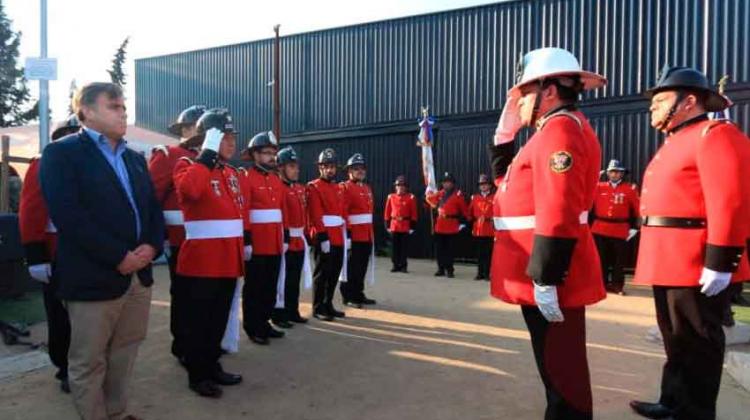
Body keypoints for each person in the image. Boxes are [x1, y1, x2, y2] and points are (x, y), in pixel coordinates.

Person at [488, 48, 607, 419]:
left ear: (549, 90)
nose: (518, 102)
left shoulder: (559, 131)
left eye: (524, 93)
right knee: (555, 365)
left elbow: (559, 210)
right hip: (541, 270)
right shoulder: (551, 131)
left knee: (562, 369)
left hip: (552, 274)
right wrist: (505, 132)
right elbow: (505, 182)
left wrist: (547, 277)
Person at [629, 66, 750, 420]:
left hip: (695, 258)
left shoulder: (714, 134)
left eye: (661, 99)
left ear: (689, 101)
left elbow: (729, 201)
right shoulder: (678, 139)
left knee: (698, 341)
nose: (652, 107)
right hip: (667, 256)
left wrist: (721, 261)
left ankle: (694, 413)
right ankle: (673, 402)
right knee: (675, 337)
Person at [39, 82, 165, 420]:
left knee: (124, 353)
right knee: (88, 360)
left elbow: (153, 209)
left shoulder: (135, 158)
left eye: (124, 106)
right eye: (114, 106)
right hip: (93, 277)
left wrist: (151, 247)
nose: (123, 112)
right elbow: (69, 216)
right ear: (87, 111)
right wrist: (119, 256)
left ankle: (117, 412)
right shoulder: (61, 153)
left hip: (138, 277)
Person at [173, 108, 245, 398]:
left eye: (232, 137)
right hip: (203, 262)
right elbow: (190, 191)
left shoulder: (230, 171)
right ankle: (197, 375)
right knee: (199, 322)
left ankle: (212, 364)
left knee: (218, 320)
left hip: (228, 259)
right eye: (224, 137)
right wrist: (206, 155)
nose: (231, 142)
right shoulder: (187, 164)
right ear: (207, 139)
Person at [18, 114, 80, 394]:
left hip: (91, 254)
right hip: (57, 253)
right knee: (60, 316)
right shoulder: (43, 163)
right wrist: (36, 255)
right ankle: (65, 367)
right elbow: (31, 211)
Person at [148, 104, 205, 364]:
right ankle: (182, 344)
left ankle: (203, 342)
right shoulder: (169, 155)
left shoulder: (208, 157)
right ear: (184, 129)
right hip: (180, 239)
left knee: (205, 295)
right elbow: (152, 196)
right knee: (184, 294)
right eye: (197, 125)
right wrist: (156, 236)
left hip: (207, 238)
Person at [240, 131, 289, 344]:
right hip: (257, 243)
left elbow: (282, 210)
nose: (271, 157)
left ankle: (265, 322)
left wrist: (285, 236)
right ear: (255, 155)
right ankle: (253, 327)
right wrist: (247, 240)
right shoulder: (246, 177)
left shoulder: (277, 180)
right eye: (266, 153)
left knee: (270, 285)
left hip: (275, 242)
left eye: (273, 153)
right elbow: (244, 210)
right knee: (255, 287)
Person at [272, 146, 310, 325]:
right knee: (282, 280)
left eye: (296, 166)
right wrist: (285, 237)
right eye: (291, 166)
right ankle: (278, 314)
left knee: (294, 279)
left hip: (298, 240)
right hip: (284, 239)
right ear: (280, 168)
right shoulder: (278, 188)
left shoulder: (299, 188)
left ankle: (292, 310)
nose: (296, 170)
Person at [307, 148, 347, 321]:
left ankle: (328, 304)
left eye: (332, 166)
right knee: (322, 274)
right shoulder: (314, 186)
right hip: (324, 236)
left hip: (337, 235)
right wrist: (322, 237)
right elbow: (315, 213)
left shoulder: (338, 187)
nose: (329, 170)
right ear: (320, 168)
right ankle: (317, 307)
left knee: (333, 274)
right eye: (326, 166)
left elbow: (341, 213)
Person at [590, 159, 640, 295]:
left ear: (622, 174)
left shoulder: (630, 189)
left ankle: (617, 285)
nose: (614, 174)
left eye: (618, 172)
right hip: (600, 227)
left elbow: (638, 210)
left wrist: (636, 227)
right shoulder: (598, 187)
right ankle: (602, 284)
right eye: (612, 171)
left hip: (620, 229)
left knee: (619, 261)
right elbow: (585, 196)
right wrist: (594, 178)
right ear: (607, 173)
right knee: (601, 259)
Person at [339, 153, 377, 308]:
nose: (360, 171)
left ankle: (358, 293)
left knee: (362, 266)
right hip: (354, 233)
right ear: (349, 171)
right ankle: (348, 296)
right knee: (351, 266)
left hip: (366, 233)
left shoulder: (366, 188)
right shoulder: (345, 187)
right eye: (356, 169)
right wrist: (347, 234)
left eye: (362, 168)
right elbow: (344, 211)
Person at [425, 172, 468, 278]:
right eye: (444, 183)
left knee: (449, 250)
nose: (446, 185)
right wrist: (429, 191)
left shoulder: (458, 195)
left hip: (452, 225)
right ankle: (440, 269)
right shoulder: (440, 194)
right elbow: (429, 199)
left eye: (448, 182)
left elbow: (464, 211)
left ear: (453, 184)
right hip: (440, 225)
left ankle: (450, 270)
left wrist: (462, 223)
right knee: (440, 249)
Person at [384, 176, 418, 273]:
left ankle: (403, 266)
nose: (400, 187)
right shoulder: (391, 197)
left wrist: (412, 226)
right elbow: (387, 213)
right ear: (395, 187)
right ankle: (395, 265)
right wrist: (387, 225)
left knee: (404, 248)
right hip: (394, 225)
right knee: (395, 248)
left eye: (403, 186)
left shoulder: (411, 197)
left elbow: (414, 213)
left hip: (405, 225)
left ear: (406, 187)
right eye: (398, 185)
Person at [468, 174, 494, 281]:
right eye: (481, 184)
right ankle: (479, 273)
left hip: (489, 229)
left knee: (488, 253)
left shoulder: (494, 197)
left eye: (485, 184)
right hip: (478, 229)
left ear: (490, 186)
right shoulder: (475, 198)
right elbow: (470, 213)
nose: (483, 186)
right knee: (479, 254)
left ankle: (487, 274)